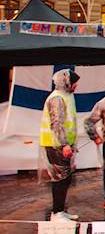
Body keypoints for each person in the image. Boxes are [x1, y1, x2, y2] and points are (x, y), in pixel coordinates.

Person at [39, 69, 80, 221]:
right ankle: (57, 213)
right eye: (74, 82)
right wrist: (64, 145)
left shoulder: (66, 96)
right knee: (60, 179)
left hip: (62, 144)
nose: (76, 86)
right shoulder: (57, 98)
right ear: (66, 82)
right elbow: (57, 124)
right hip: (55, 144)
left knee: (66, 178)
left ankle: (60, 210)